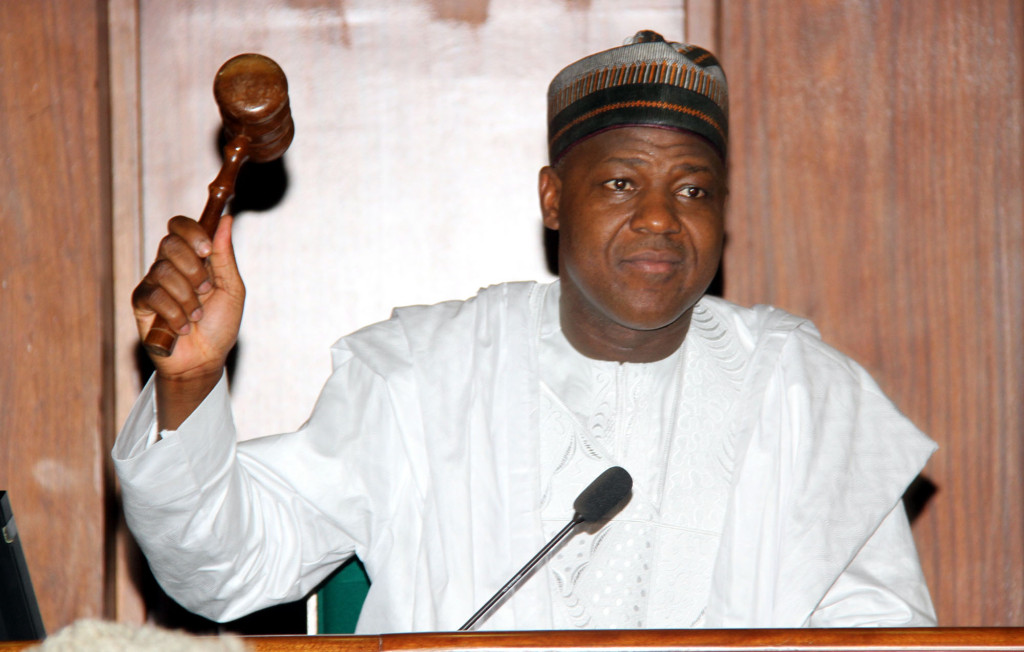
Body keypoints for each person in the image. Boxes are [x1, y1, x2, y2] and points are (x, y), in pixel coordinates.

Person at [114, 31, 938, 632]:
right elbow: (225, 567)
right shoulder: (420, 376)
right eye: (622, 183)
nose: (660, 217)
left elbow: (882, 634)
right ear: (552, 198)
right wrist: (190, 381)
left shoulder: (803, 393)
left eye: (693, 190)